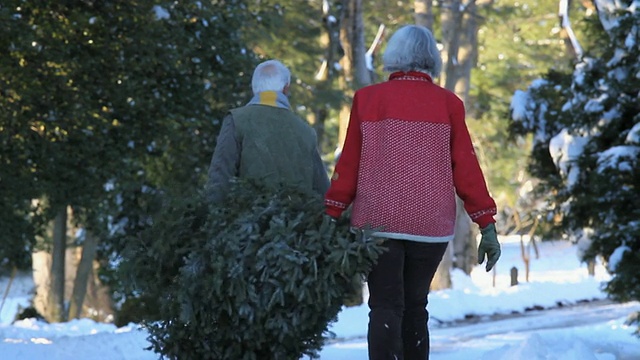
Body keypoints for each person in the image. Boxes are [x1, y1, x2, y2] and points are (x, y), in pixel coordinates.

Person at [323, 25, 501, 360]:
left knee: (385, 306)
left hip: (377, 223)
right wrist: (486, 224)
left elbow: (349, 164)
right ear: (431, 60)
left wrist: (331, 213)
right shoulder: (449, 103)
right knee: (416, 306)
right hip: (430, 225)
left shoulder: (367, 99)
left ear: (393, 58)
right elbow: (466, 168)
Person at [206, 60, 329, 201]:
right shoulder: (306, 131)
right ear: (286, 89)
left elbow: (219, 177)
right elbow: (322, 190)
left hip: (246, 219)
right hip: (296, 220)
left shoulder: (237, 120)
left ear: (254, 88)